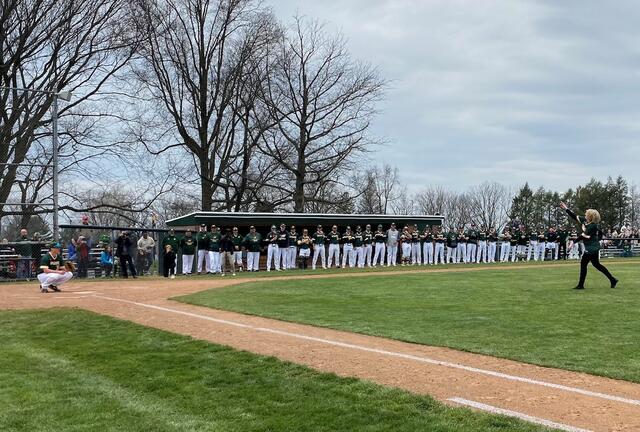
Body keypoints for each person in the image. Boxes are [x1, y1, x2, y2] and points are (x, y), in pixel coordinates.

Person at [560, 202, 618, 290]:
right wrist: (566, 208)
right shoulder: (586, 221)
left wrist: (573, 242)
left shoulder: (593, 226)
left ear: (590, 216)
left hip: (592, 247)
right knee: (596, 264)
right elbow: (574, 216)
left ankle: (581, 285)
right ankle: (612, 279)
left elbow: (583, 236)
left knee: (584, 263)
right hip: (591, 246)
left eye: (587, 214)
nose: (585, 214)